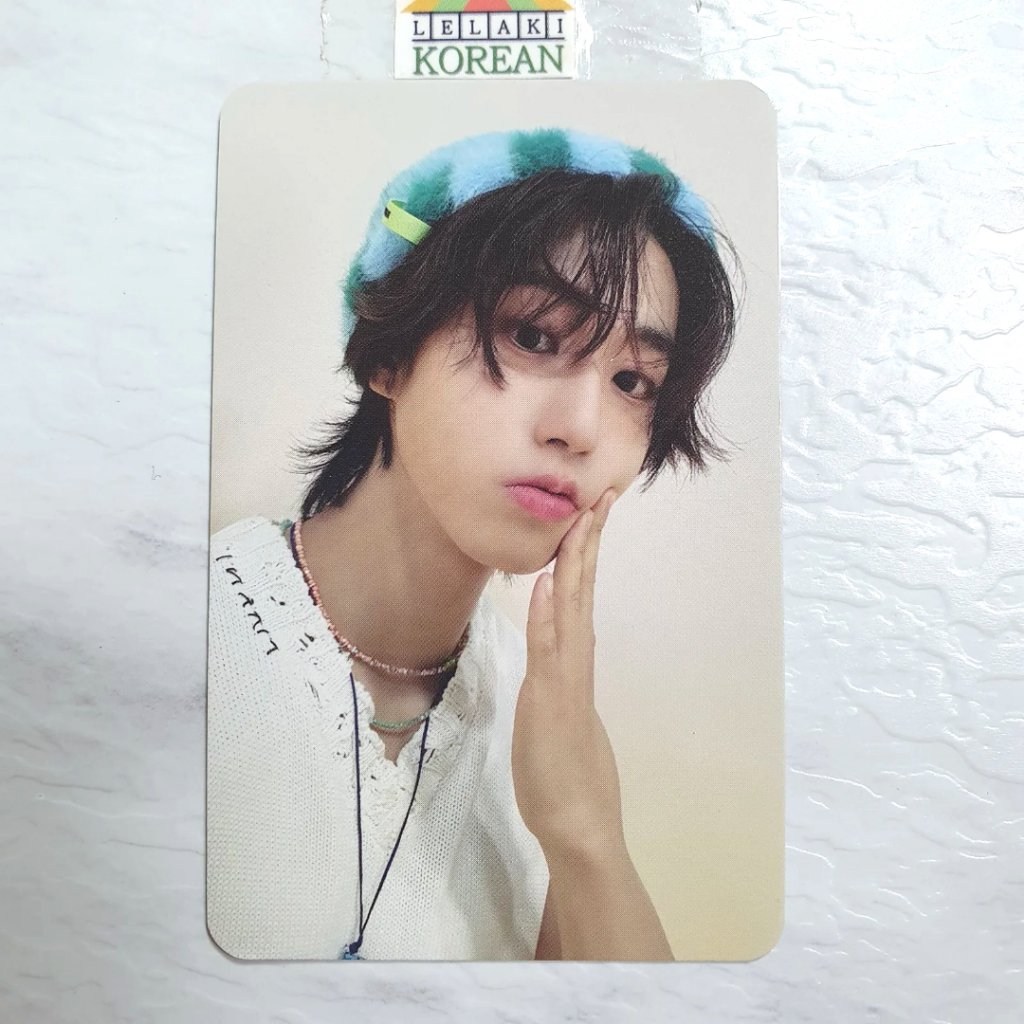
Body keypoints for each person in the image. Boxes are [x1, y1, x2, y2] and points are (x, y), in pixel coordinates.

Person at [206, 128, 737, 962]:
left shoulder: (543, 714)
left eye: (633, 381)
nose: (582, 428)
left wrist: (585, 835)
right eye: (534, 337)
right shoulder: (190, 626)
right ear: (389, 354)